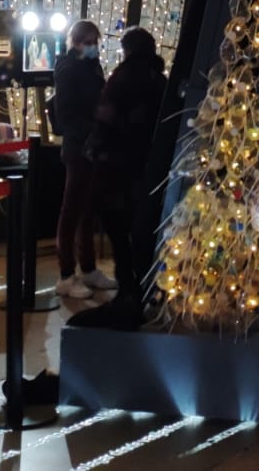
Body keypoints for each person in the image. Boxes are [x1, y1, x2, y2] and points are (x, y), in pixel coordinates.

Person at [86, 28, 167, 312]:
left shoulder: (122, 79)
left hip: (118, 168)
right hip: (150, 168)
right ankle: (147, 285)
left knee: (118, 229)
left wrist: (95, 148)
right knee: (144, 227)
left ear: (127, 50)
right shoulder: (160, 80)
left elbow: (106, 118)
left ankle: (127, 287)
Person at [52, 20, 111, 299]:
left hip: (92, 147)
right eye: (87, 41)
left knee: (87, 211)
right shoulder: (68, 69)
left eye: (94, 40)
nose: (92, 46)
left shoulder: (90, 67)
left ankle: (87, 268)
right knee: (71, 210)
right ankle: (66, 274)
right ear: (75, 42)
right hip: (79, 148)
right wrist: (91, 126)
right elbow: (66, 113)